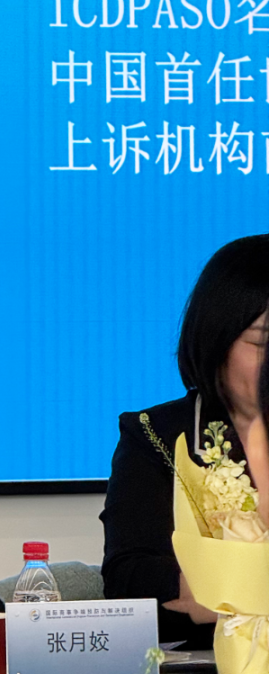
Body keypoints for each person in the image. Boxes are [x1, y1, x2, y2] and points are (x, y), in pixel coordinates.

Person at [101, 235, 269, 649]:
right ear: (216, 339)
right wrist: (229, 587)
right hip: (207, 663)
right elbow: (128, 577)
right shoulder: (156, 435)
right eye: (262, 343)